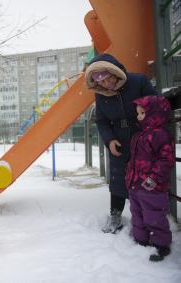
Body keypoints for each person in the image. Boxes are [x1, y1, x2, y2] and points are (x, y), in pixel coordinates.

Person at [85, 53, 157, 233]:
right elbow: (101, 121)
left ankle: (145, 217)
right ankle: (115, 216)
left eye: (107, 79)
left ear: (114, 71)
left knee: (143, 180)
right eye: (101, 83)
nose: (106, 84)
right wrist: (109, 140)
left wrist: (148, 133)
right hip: (118, 142)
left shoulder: (138, 82)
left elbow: (155, 106)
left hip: (141, 139)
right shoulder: (101, 95)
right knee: (117, 180)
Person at [126, 95, 175, 262]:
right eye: (138, 114)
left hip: (152, 187)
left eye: (142, 113)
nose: (139, 117)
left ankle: (161, 245)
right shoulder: (138, 135)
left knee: (153, 215)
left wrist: (153, 179)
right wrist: (130, 177)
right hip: (136, 185)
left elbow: (166, 160)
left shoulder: (161, 135)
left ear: (155, 114)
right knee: (137, 213)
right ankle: (141, 240)